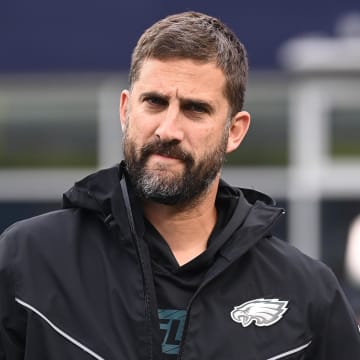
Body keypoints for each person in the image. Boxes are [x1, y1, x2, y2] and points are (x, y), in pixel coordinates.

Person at [0, 11, 359, 360]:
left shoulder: (306, 293)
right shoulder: (28, 261)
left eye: (195, 109)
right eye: (154, 102)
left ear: (234, 131)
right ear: (126, 110)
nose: (168, 129)